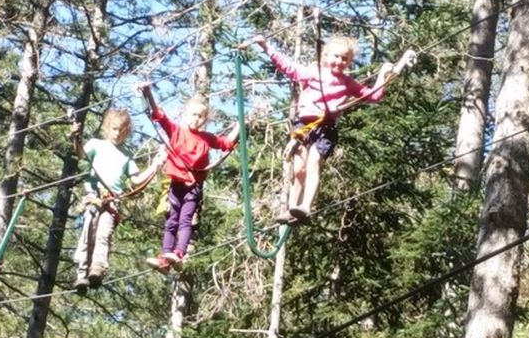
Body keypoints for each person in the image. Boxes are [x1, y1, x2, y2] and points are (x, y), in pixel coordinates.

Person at [242, 34, 415, 224]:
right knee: (299, 169)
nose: (340, 62)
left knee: (314, 163)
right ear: (325, 56)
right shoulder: (313, 72)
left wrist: (383, 74)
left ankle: (306, 206)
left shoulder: (347, 83)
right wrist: (266, 46)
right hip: (303, 127)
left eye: (345, 59)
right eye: (336, 56)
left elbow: (373, 97)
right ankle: (292, 207)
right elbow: (288, 67)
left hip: (325, 128)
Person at [138, 83, 240, 274]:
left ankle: (179, 252)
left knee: (185, 220)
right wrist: (148, 93)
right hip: (176, 184)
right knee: (171, 221)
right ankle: (165, 257)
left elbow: (226, 143)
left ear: (205, 120)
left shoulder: (206, 138)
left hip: (193, 186)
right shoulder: (176, 131)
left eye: (201, 116)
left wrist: (239, 126)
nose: (197, 119)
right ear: (186, 115)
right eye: (193, 114)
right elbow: (159, 115)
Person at [70, 108, 166, 294]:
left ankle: (97, 269)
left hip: (112, 201)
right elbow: (81, 154)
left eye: (121, 131)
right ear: (107, 127)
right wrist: (75, 137)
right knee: (88, 233)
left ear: (126, 132)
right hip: (94, 197)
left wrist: (155, 165)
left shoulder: (126, 155)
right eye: (114, 129)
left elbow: (136, 180)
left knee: (103, 234)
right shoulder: (96, 145)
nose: (117, 134)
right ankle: (82, 273)